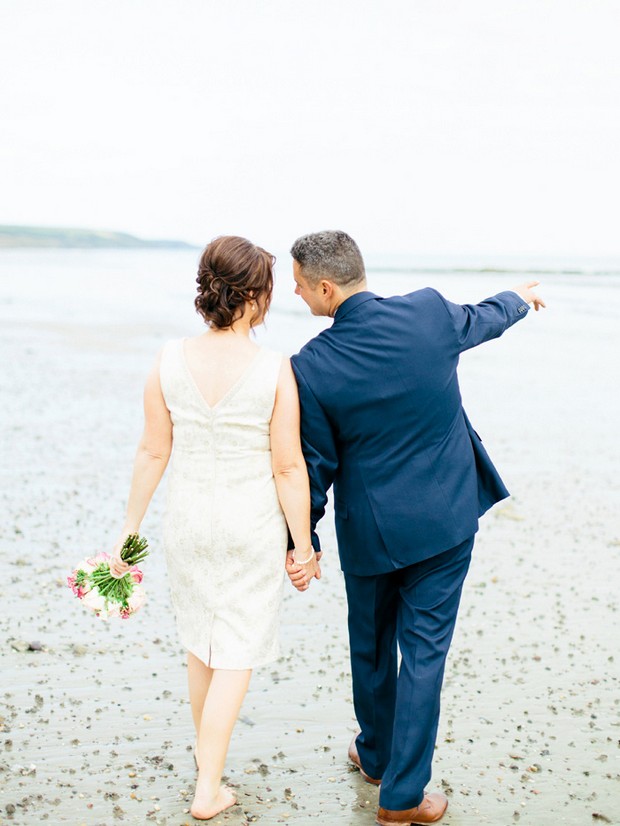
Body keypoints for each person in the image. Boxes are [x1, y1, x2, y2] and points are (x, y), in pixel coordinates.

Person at [286, 230, 545, 826]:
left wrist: (306, 540)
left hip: (370, 533)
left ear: (327, 287)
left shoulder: (312, 365)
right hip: (445, 521)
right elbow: (484, 319)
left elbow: (316, 464)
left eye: (299, 286)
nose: (295, 294)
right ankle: (401, 794)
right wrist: (519, 297)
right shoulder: (428, 313)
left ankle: (376, 757)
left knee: (371, 647)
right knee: (424, 653)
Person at [109, 235, 320, 821]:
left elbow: (153, 451)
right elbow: (286, 465)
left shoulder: (169, 358)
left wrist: (129, 535)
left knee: (200, 646)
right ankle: (208, 787)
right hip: (248, 525)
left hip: (187, 524)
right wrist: (302, 545)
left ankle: (210, 772)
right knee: (237, 652)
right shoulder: (274, 368)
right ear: (255, 297)